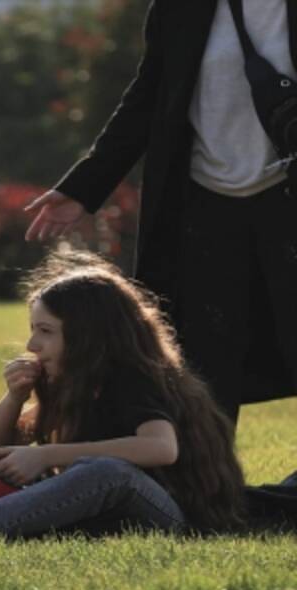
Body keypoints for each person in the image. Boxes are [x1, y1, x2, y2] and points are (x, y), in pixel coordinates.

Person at [24, 0, 297, 425]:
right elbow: (147, 97)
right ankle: (210, 485)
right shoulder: (181, 8)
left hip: (285, 197)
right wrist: (84, 186)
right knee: (205, 363)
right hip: (206, 204)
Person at [0, 253, 247, 538]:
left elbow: (161, 448)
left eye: (45, 331)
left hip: (169, 515)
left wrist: (47, 455)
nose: (32, 343)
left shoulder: (134, 378)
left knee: (106, 471)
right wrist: (13, 398)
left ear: (87, 336)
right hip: (104, 513)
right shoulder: (71, 381)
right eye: (33, 329)